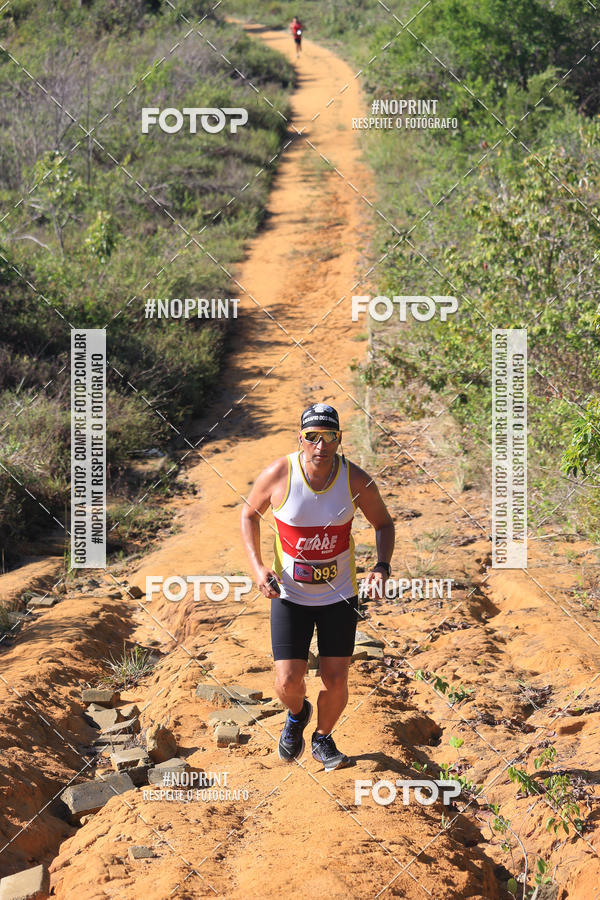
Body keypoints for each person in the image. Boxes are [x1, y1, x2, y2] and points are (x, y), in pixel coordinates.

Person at [240, 403, 395, 772]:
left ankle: (323, 738)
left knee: (336, 678)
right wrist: (258, 568)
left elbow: (384, 524)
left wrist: (381, 567)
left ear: (339, 440)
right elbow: (248, 515)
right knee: (287, 682)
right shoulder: (280, 473)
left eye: (329, 437)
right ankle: (297, 715)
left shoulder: (355, 479)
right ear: (301, 438)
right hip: (290, 594)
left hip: (339, 594)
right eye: (312, 436)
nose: (320, 444)